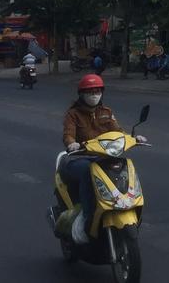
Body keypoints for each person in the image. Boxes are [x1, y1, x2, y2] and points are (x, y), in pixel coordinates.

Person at [61, 74, 121, 245]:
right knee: (90, 171)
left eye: (97, 91)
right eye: (90, 91)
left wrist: (134, 138)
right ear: (82, 94)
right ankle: (87, 216)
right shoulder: (73, 114)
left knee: (122, 166)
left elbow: (118, 132)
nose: (94, 94)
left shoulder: (106, 112)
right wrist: (72, 144)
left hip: (103, 158)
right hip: (77, 159)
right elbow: (68, 135)